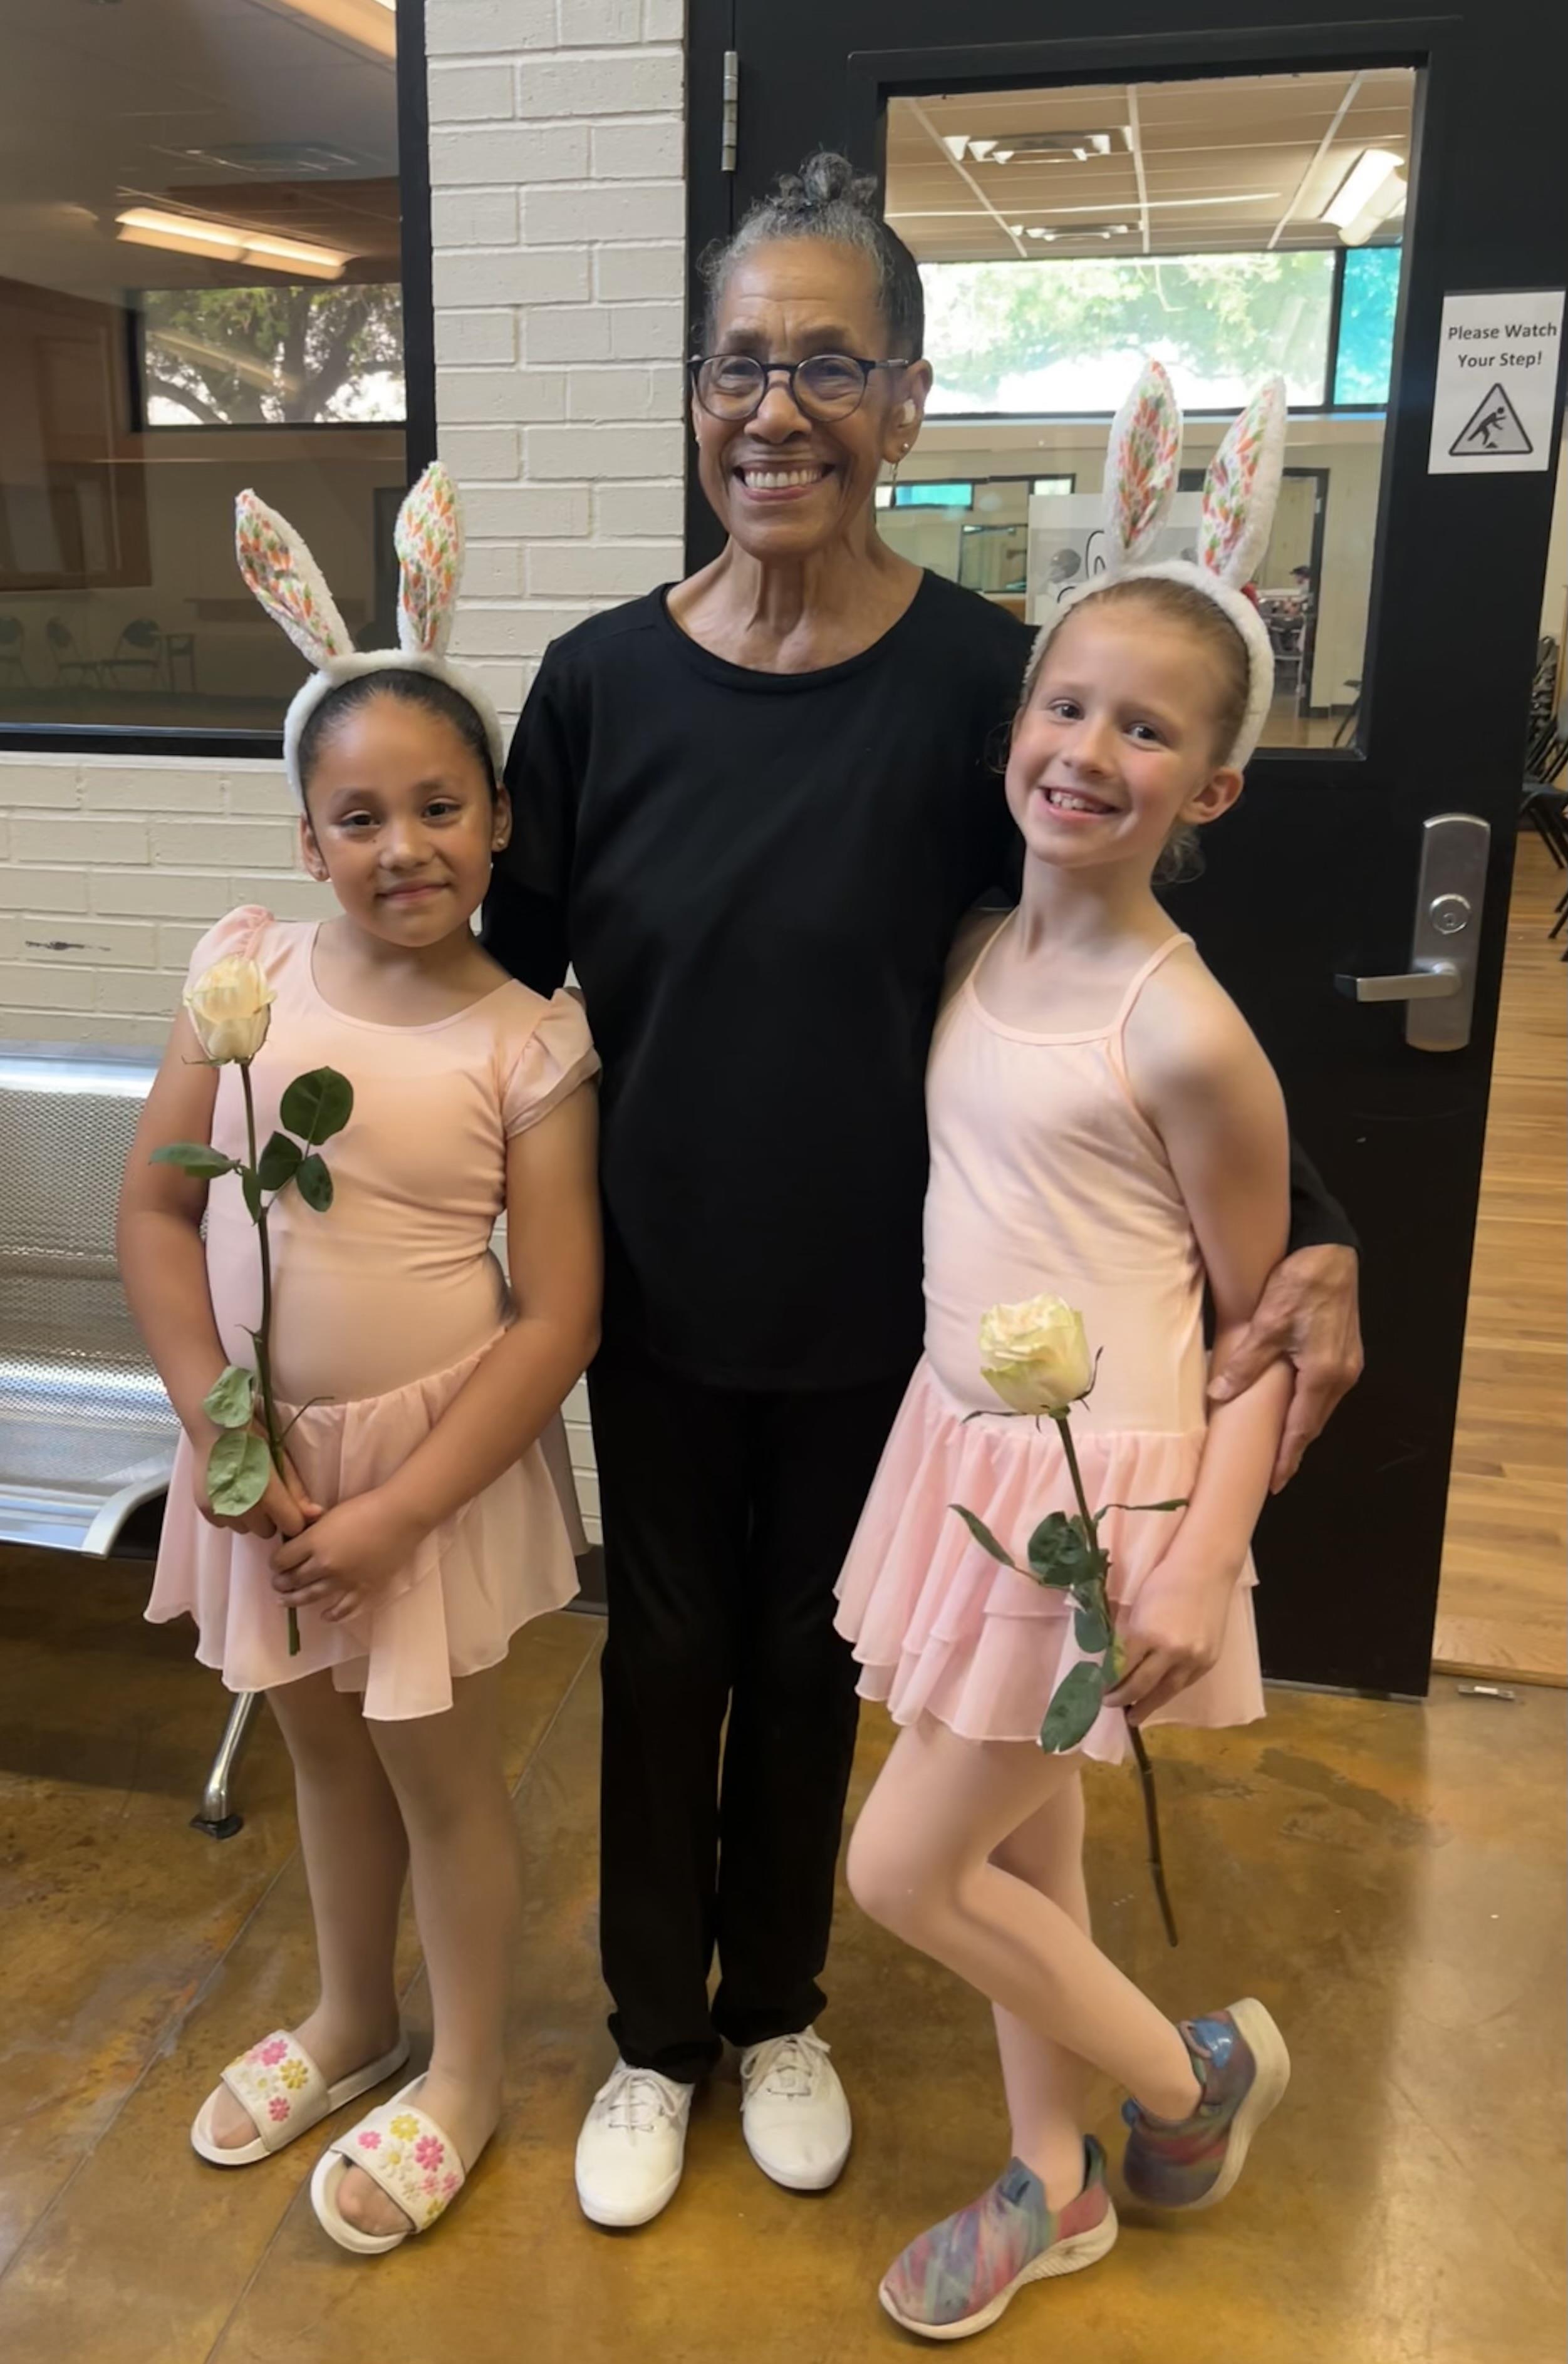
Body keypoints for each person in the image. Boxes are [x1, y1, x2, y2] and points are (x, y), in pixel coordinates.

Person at [484, 154, 1363, 2232]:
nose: (773, 411)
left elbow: (1111, 969)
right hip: (657, 1288)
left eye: (827, 366)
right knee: (658, 1661)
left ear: (908, 402)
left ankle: (779, 2004)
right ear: (692, 398)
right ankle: (650, 2040)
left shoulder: (990, 683)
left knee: (812, 1673)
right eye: (736, 365)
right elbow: (501, 973)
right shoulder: (602, 683)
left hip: (912, 1324)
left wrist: (1311, 1223)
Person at [835, 365, 1297, 2340]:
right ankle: (1060, 2181)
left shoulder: (1183, 1032)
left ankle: (1196, 2085)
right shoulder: (977, 953)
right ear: (1018, 724)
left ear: (1215, 785)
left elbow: (1266, 1325)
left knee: (907, 1875)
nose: (1092, 749)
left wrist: (1194, 1555)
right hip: (963, 1453)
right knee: (1032, 1831)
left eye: (1151, 729)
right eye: (1069, 704)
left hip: (1095, 1505)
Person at [117, 466, 601, 2257]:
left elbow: (558, 1313)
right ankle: (352, 2017)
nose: (403, 846)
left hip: (420, 1483)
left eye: (440, 807)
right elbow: (160, 1218)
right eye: (359, 814)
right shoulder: (245, 975)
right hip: (260, 1466)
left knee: (438, 1768)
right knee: (319, 1751)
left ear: (494, 823)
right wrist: (217, 1436)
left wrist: (396, 1509)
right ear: (305, 835)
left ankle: (464, 2069)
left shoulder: (526, 1040)